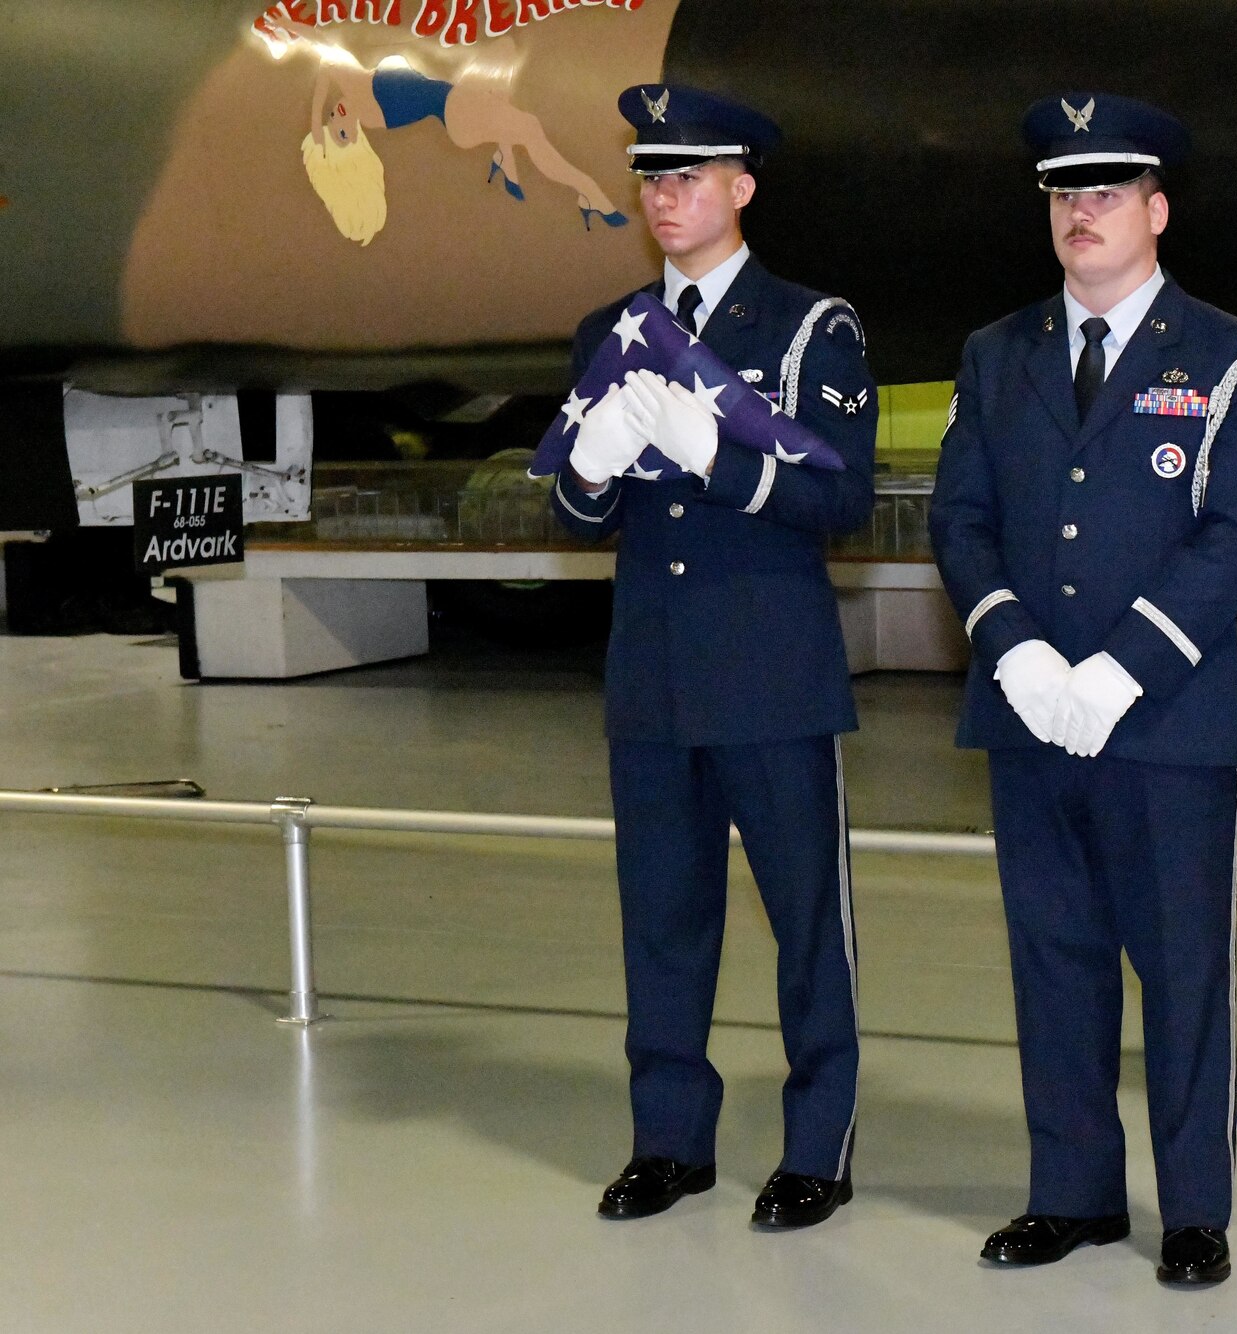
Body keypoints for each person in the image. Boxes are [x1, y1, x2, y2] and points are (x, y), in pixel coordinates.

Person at [929, 91, 1237, 1287]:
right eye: (1062, 195)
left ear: (1156, 209)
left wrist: (1118, 667)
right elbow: (960, 519)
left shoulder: (1232, 356)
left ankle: (1192, 1209)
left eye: (1104, 192)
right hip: (1029, 713)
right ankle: (1071, 1191)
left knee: (1181, 966)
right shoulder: (995, 354)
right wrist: (1017, 651)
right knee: (1054, 955)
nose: (1079, 212)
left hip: (1166, 721)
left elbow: (1236, 535)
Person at [550, 82, 878, 1230]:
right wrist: (586, 473)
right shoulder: (611, 331)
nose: (665, 195)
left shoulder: (806, 328)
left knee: (805, 929)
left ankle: (816, 1147)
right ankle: (670, 1139)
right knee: (662, 920)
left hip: (770, 672)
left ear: (741, 188)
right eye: (651, 176)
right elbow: (580, 515)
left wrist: (716, 457)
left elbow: (841, 496)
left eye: (688, 176)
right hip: (653, 673)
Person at [272, 26, 629, 244]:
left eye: (336, 115)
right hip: (456, 112)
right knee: (521, 104)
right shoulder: (366, 105)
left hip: (460, 102)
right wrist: (323, 128)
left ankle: (518, 163)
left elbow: (324, 58)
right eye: (344, 135)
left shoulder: (352, 81)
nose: (340, 118)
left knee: (509, 71)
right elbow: (324, 53)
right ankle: (581, 189)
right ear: (355, 141)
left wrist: (318, 120)